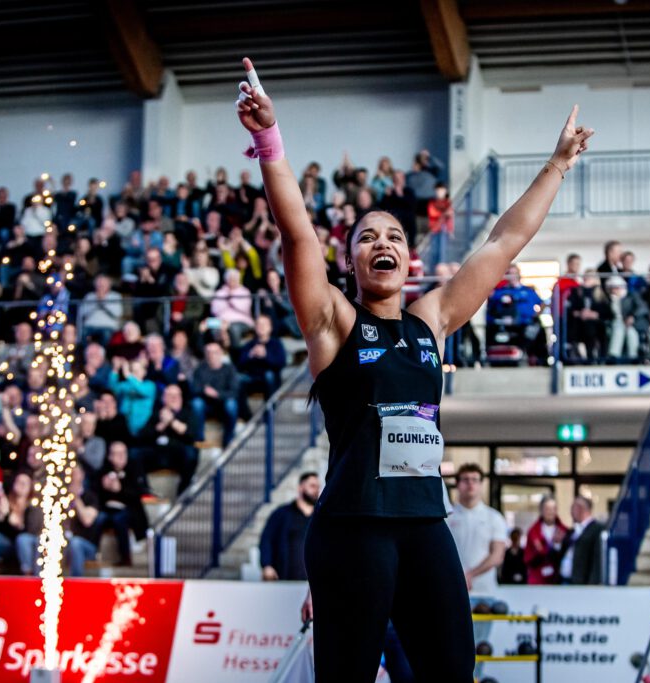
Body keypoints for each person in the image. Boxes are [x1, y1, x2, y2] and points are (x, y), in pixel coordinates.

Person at [236, 57, 592, 680]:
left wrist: (558, 165)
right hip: (354, 526)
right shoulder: (334, 321)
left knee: (451, 671)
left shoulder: (432, 320)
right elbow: (297, 236)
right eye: (368, 237)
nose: (383, 243)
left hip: (425, 522)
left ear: (408, 259)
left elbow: (503, 243)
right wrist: (269, 139)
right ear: (350, 262)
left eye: (395, 237)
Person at [445, 463, 508, 594]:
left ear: (481, 484)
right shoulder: (446, 518)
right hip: (451, 587)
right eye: (465, 479)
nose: (470, 483)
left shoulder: (494, 517)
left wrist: (470, 575)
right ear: (457, 484)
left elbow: (497, 555)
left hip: (485, 591)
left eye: (475, 480)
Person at [259, 471, 320, 581]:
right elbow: (266, 539)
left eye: (318, 487)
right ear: (300, 488)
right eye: (312, 486)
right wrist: (267, 565)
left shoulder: (319, 518)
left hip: (312, 584)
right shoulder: (281, 514)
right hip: (285, 581)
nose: (316, 490)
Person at [559, 495, 604, 585]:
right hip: (566, 581)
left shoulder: (597, 529)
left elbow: (597, 560)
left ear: (580, 509)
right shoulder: (573, 531)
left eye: (573, 508)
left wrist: (592, 584)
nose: (571, 512)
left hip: (582, 584)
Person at [523, 495, 568, 585]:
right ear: (541, 510)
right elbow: (528, 558)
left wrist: (557, 545)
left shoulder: (563, 530)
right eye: (547, 509)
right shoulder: (533, 531)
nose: (550, 512)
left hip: (557, 579)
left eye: (553, 509)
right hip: (537, 578)